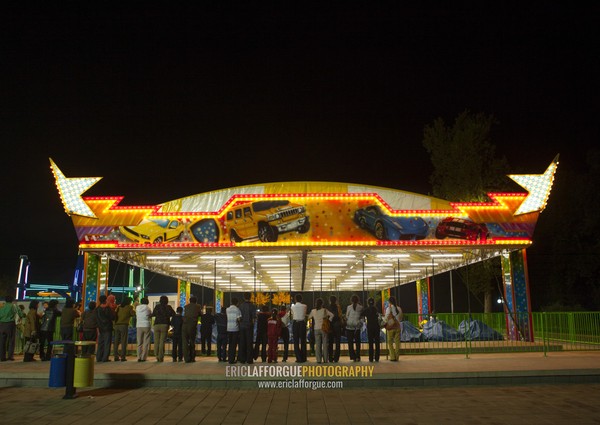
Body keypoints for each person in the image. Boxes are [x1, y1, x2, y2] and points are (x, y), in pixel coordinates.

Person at [308, 298, 334, 364]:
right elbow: (332, 315)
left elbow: (308, 317)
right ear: (322, 304)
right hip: (324, 329)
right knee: (325, 345)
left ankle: (318, 360)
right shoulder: (325, 310)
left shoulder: (313, 311)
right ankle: (325, 359)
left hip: (316, 329)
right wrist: (328, 320)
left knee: (318, 345)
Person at [0, 295, 26, 361]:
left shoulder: (2, 306)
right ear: (12, 300)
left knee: (2, 341)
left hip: (1, 324)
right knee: (11, 340)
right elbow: (21, 314)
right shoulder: (14, 306)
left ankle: (2, 357)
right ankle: (10, 356)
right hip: (10, 324)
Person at [152, 295, 175, 362]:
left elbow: (153, 314)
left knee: (156, 341)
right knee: (162, 341)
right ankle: (161, 356)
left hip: (156, 325)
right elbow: (173, 314)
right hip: (165, 324)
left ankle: (156, 355)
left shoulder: (157, 306)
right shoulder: (168, 307)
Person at [95, 294, 116, 363]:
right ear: (105, 300)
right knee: (107, 343)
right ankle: (105, 358)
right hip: (107, 327)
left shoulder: (97, 309)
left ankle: (98, 357)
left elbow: (96, 318)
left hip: (100, 328)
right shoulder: (107, 308)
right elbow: (112, 317)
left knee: (100, 343)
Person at [114, 297, 135, 361]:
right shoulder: (129, 307)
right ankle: (123, 356)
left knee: (116, 341)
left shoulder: (118, 307)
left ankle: (116, 356)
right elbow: (133, 314)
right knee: (124, 341)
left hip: (116, 325)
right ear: (129, 302)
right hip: (124, 325)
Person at [182, 296, 202, 363]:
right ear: (196, 301)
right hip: (192, 326)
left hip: (184, 325)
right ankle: (192, 357)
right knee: (192, 341)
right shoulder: (197, 306)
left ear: (189, 301)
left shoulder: (186, 306)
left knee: (185, 342)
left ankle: (186, 358)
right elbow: (200, 314)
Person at [361, 297, 381, 362]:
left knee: (370, 343)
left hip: (370, 327)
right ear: (374, 303)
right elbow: (379, 317)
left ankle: (371, 358)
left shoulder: (366, 310)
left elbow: (361, 314)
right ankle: (377, 357)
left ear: (368, 303)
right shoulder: (376, 309)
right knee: (377, 343)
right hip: (376, 327)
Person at [238, 292, 256, 364]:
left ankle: (242, 359)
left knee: (242, 342)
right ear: (250, 297)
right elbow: (254, 318)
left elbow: (239, 317)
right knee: (249, 343)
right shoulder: (252, 306)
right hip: (249, 326)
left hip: (242, 326)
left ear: (243, 297)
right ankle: (249, 359)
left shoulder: (240, 306)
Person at [345, 294, 364, 362]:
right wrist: (359, 323)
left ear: (351, 300)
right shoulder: (361, 307)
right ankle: (358, 356)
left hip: (349, 326)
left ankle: (353, 356)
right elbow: (362, 317)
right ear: (358, 300)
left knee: (350, 343)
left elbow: (347, 316)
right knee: (357, 343)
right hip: (357, 327)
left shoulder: (348, 307)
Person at [290, 293, 307, 363]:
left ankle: (298, 358)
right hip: (302, 323)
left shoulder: (292, 307)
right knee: (303, 341)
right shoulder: (305, 306)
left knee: (296, 341)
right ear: (301, 299)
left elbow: (292, 314)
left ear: (295, 299)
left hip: (295, 324)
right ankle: (303, 357)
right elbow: (305, 314)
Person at [385, 296, 403, 362]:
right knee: (397, 343)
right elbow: (401, 318)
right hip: (398, 326)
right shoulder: (399, 308)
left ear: (389, 302)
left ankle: (392, 357)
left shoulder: (388, 308)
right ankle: (397, 357)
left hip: (391, 327)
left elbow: (386, 318)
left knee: (390, 342)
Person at [135, 297, 152, 362]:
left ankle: (139, 357)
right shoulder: (148, 308)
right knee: (146, 342)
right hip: (146, 325)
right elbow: (149, 315)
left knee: (139, 342)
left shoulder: (137, 308)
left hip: (139, 325)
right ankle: (143, 357)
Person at [327, 295, 343, 363]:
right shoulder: (338, 307)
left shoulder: (327, 307)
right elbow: (340, 315)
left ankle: (330, 357)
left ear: (330, 300)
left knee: (330, 342)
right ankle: (336, 358)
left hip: (330, 326)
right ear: (336, 300)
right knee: (337, 342)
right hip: (337, 326)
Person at [226, 297, 241, 364]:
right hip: (235, 329)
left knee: (230, 344)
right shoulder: (237, 310)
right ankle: (232, 359)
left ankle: (229, 358)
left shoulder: (227, 309)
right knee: (234, 345)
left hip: (229, 328)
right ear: (237, 303)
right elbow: (239, 319)